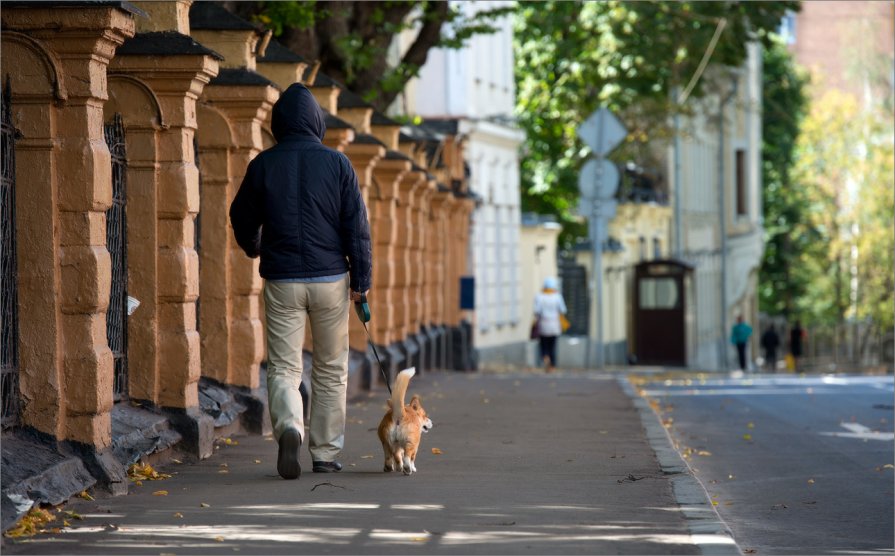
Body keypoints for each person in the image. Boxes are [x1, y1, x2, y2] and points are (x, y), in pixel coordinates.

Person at [230, 83, 372, 480]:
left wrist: (255, 246)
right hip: (331, 280)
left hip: (283, 279)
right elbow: (356, 229)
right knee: (330, 367)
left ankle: (290, 426)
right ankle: (325, 452)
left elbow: (241, 215)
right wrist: (361, 280)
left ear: (278, 123)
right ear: (316, 121)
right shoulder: (338, 164)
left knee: (284, 367)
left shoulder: (263, 164)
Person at [533, 277, 567, 373]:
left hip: (543, 323)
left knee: (544, 344)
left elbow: (537, 311)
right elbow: (563, 310)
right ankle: (552, 366)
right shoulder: (557, 296)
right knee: (552, 345)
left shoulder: (539, 296)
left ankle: (545, 356)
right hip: (554, 324)